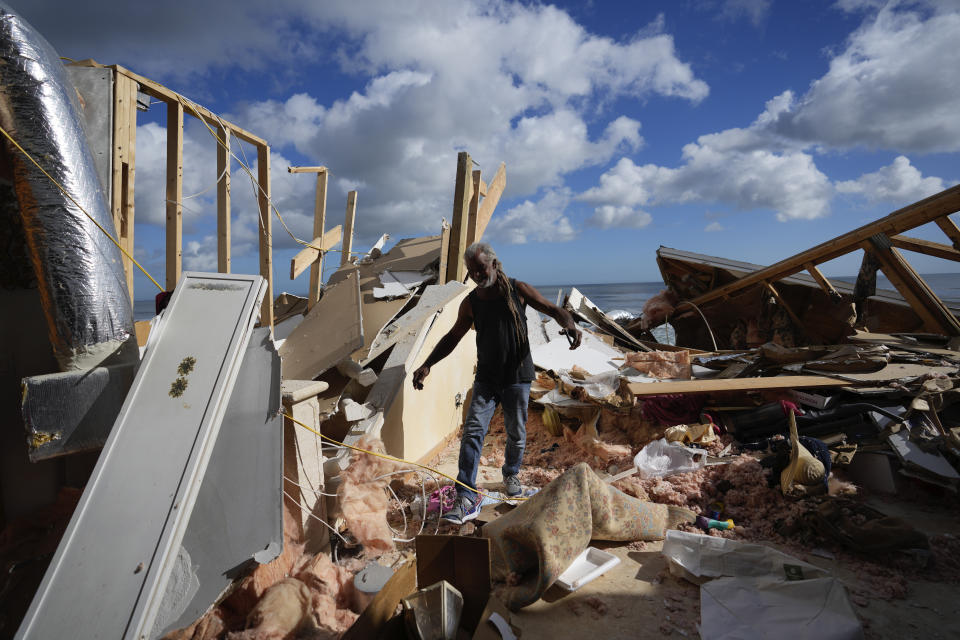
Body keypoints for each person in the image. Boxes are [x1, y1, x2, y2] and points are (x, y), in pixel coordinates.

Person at [412, 242, 582, 524]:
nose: (478, 274)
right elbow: (452, 337)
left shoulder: (518, 289)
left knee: (516, 432)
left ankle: (511, 474)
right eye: (473, 271)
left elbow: (554, 309)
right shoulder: (471, 303)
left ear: (493, 263)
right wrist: (428, 364)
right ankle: (465, 494)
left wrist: (571, 325)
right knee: (473, 432)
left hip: (517, 376)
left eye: (481, 268)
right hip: (487, 379)